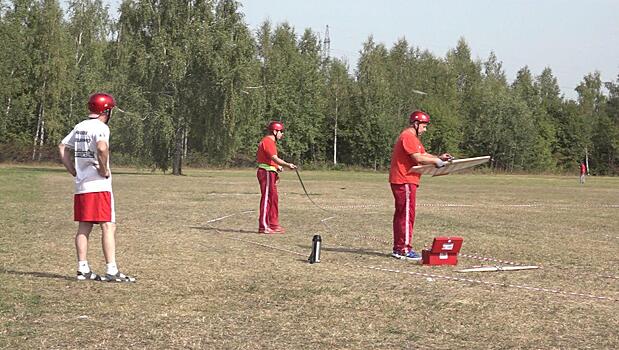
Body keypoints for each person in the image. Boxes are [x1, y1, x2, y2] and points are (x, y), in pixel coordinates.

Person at [58, 92, 135, 282]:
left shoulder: (80, 126)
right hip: (99, 186)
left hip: (82, 186)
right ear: (106, 111)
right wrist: (102, 168)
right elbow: (102, 148)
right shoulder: (101, 127)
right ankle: (111, 269)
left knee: (84, 227)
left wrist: (73, 170)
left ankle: (82, 268)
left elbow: (62, 147)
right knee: (108, 226)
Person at [389, 110, 453, 261]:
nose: (425, 129)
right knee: (406, 215)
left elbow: (424, 155)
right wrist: (436, 162)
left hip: (406, 180)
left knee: (403, 214)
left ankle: (399, 247)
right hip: (405, 179)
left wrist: (439, 157)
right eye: (424, 126)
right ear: (416, 124)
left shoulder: (413, 139)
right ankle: (403, 249)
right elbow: (418, 158)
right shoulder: (408, 136)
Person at [256, 121, 297, 234]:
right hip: (266, 173)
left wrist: (277, 167)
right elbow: (274, 158)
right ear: (274, 131)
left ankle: (273, 224)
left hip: (271, 172)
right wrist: (287, 164)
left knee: (274, 198)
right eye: (281, 131)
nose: (282, 134)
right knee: (267, 198)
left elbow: (270, 160)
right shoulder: (268, 141)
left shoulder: (271, 142)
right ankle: (263, 226)